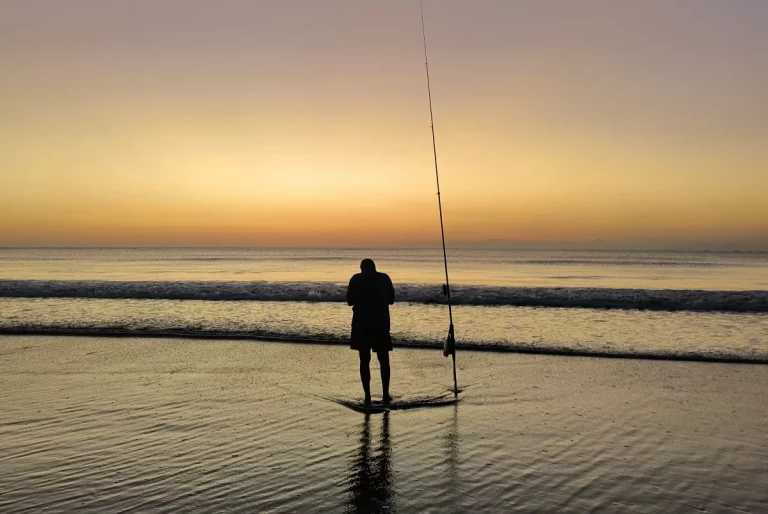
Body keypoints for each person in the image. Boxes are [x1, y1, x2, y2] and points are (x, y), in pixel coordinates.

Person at [346, 258, 395, 405]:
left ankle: (367, 396)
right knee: (383, 359)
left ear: (362, 268)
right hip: (380, 323)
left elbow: (349, 301)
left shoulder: (356, 279)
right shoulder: (384, 278)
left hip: (361, 323)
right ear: (374, 267)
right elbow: (391, 300)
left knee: (364, 360)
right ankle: (385, 394)